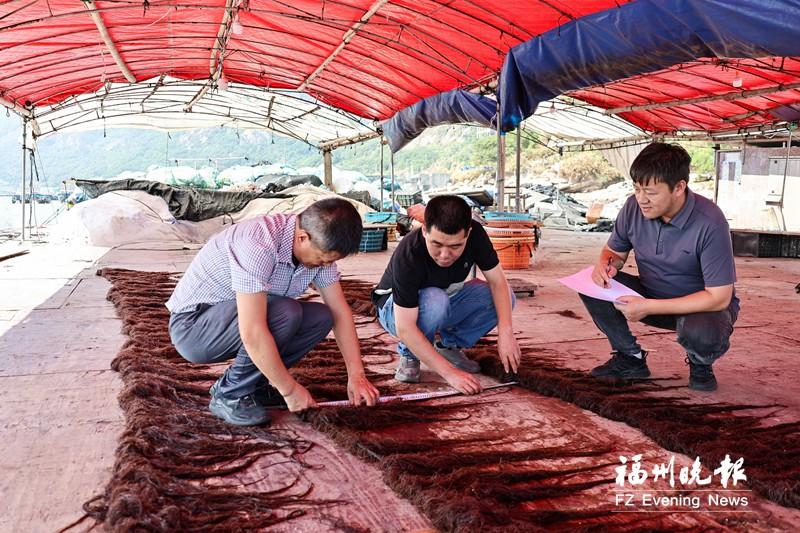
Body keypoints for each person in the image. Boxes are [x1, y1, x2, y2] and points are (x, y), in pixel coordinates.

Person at [166, 198, 380, 426]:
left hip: (232, 321)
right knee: (286, 312)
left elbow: (339, 312)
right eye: (321, 260)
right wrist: (289, 390)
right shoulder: (258, 244)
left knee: (321, 317)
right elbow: (252, 331)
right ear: (302, 238)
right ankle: (229, 394)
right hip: (194, 329)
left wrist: (357, 375)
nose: (325, 266)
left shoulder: (316, 252)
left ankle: (254, 386)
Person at [580, 143, 739, 391]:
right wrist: (605, 265)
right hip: (650, 295)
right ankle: (629, 357)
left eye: (650, 192)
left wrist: (649, 306)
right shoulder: (633, 207)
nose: (641, 199)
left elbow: (719, 297)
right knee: (591, 284)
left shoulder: (710, 222)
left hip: (699, 309)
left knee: (703, 332)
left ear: (678, 188)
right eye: (636, 188)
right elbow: (615, 252)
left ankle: (700, 363)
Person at [372, 195, 520, 394]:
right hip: (396, 312)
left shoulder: (477, 236)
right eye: (437, 244)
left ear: (468, 233)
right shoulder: (409, 253)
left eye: (455, 246)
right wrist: (449, 374)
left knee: (505, 297)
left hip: (444, 300)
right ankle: (409, 354)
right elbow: (405, 327)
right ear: (424, 230)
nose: (444, 255)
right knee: (435, 300)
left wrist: (506, 332)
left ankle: (447, 346)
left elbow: (498, 282)